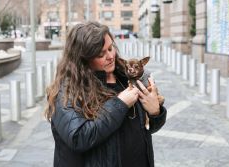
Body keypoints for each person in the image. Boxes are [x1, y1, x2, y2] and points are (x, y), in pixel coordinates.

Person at [45, 21, 167, 167]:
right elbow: (78, 138)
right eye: (101, 53)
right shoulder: (67, 91)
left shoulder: (125, 76)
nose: (110, 56)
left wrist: (155, 112)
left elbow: (146, 128)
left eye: (110, 48)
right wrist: (120, 104)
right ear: (83, 59)